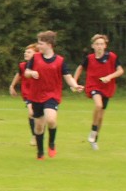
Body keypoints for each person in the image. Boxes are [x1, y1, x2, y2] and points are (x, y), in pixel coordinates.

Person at [24, 30, 84, 159]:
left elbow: (67, 77)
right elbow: (26, 72)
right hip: (36, 96)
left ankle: (51, 143)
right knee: (39, 127)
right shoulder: (35, 58)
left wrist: (74, 85)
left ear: (49, 44)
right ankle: (40, 153)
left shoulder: (60, 61)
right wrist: (31, 73)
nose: (38, 46)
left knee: (51, 119)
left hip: (52, 95)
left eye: (41, 43)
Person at [74, 34, 125, 150]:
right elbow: (80, 68)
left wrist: (109, 77)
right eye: (97, 44)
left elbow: (120, 71)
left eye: (102, 44)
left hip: (107, 87)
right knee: (98, 104)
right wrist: (75, 82)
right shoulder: (89, 58)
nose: (99, 46)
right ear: (93, 46)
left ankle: (94, 138)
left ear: (105, 45)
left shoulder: (112, 57)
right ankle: (93, 129)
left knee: (101, 117)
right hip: (93, 86)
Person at [8, 43, 40, 147]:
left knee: (39, 116)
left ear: (36, 54)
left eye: (29, 52)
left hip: (39, 93)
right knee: (31, 113)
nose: (25, 53)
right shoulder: (22, 66)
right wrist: (12, 86)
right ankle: (34, 136)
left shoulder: (40, 65)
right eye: (25, 51)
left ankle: (39, 132)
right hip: (28, 93)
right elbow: (19, 74)